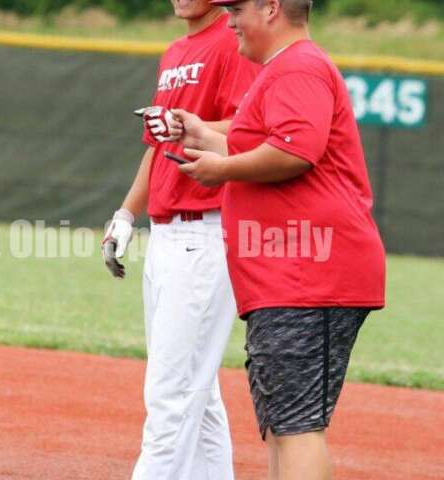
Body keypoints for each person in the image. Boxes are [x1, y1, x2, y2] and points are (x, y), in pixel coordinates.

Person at [168, 1, 387, 479]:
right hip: (291, 277)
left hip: (310, 273)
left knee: (296, 426)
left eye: (238, 9)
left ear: (271, 8)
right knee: (285, 424)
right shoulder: (283, 70)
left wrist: (220, 169)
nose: (229, 21)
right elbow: (264, 144)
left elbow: (295, 151)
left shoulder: (298, 67)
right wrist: (203, 134)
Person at [101, 1, 260, 478]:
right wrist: (127, 213)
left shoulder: (233, 42)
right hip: (167, 234)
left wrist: (194, 127)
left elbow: (250, 130)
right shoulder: (174, 52)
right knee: (198, 392)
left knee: (170, 396)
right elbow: (159, 146)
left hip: (206, 231)